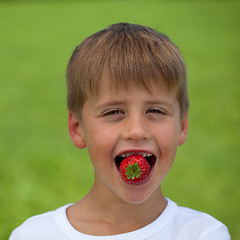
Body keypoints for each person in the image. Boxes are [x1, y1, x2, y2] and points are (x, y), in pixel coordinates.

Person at [9, 22, 230, 240]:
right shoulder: (34, 235)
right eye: (114, 111)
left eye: (155, 110)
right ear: (77, 128)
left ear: (181, 125)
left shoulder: (204, 234)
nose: (136, 131)